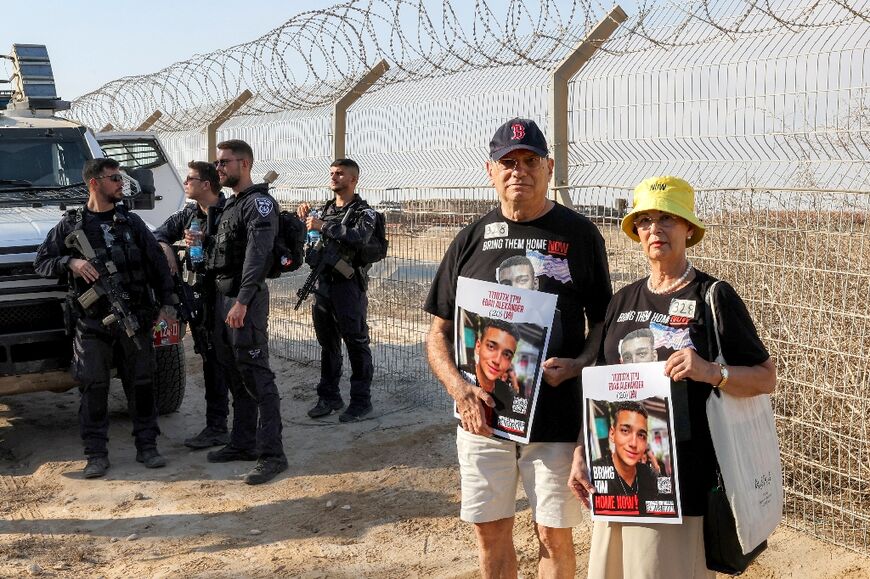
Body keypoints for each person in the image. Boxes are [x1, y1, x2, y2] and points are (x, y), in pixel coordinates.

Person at [425, 118, 612, 577]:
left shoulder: (580, 235)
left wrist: (579, 364)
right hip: (483, 419)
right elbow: (437, 334)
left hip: (555, 416)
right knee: (490, 532)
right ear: (490, 171)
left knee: (553, 534)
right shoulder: (470, 239)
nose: (519, 171)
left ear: (549, 167)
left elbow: (604, 325)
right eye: (508, 162)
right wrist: (460, 391)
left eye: (530, 161)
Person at [568, 175, 777, 578]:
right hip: (619, 482)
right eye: (645, 220)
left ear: (688, 229)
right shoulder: (621, 300)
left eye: (667, 218)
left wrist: (711, 372)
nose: (655, 229)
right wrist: (581, 450)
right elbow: (599, 386)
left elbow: (765, 378)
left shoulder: (712, 296)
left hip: (681, 486)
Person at [34, 158, 176, 478]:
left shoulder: (132, 222)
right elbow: (42, 262)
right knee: (94, 386)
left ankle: (147, 447)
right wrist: (71, 263)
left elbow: (157, 266)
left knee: (141, 383)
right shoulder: (70, 226)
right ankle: (96, 454)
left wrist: (167, 306)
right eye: (113, 179)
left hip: (135, 318)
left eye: (120, 178)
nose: (120, 184)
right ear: (94, 183)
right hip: (93, 323)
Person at [205, 139, 287, 485]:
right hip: (225, 299)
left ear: (245, 164)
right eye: (218, 163)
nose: (219, 169)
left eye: (224, 163)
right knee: (234, 374)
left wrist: (242, 300)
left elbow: (257, 256)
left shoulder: (259, 205)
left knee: (256, 376)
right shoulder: (231, 206)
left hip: (245, 302)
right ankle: (243, 442)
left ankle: (272, 454)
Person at [154, 161, 229, 450]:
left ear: (206, 184)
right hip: (202, 297)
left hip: (230, 296)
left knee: (236, 362)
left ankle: (246, 427)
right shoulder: (188, 214)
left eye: (190, 179)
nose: (185, 183)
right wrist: (168, 249)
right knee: (211, 360)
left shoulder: (231, 212)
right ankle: (217, 426)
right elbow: (157, 235)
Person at [296, 158, 375, 423]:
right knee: (328, 345)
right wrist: (305, 219)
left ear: (353, 179)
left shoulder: (365, 212)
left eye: (340, 174)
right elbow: (308, 238)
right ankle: (329, 397)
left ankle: (361, 401)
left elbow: (359, 237)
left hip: (348, 286)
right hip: (323, 286)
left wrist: (323, 226)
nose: (334, 177)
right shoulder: (323, 211)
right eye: (331, 173)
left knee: (356, 343)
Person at [589, 402, 658, 510]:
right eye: (625, 431)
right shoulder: (593, 472)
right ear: (612, 434)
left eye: (641, 435)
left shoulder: (650, 476)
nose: (633, 444)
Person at [461, 318, 524, 428]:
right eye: (491, 347)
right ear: (478, 346)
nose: (497, 360)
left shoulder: (509, 394)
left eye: (506, 354)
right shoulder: (461, 376)